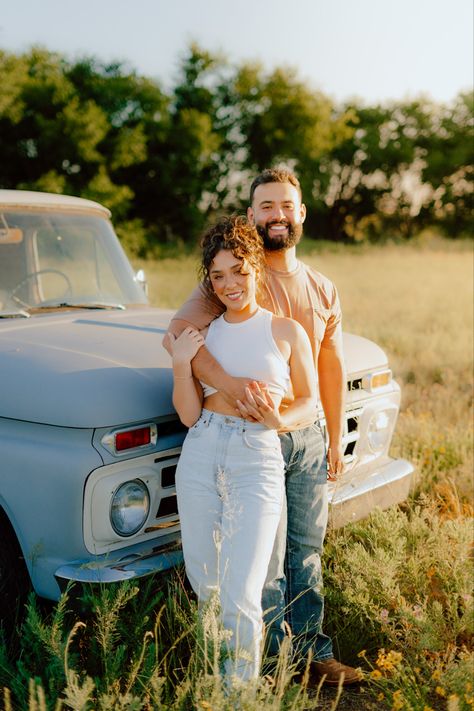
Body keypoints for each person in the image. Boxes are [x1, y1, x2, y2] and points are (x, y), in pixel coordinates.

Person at [166, 168, 362, 687]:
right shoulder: (234, 276)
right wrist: (231, 387)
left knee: (308, 547)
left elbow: (330, 366)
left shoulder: (321, 287)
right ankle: (271, 662)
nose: (277, 214)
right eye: (266, 206)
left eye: (285, 205)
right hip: (254, 439)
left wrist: (335, 435)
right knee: (264, 561)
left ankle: (312, 654)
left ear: (300, 213)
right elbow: (179, 336)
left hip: (307, 433)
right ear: (252, 217)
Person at [168, 215, 318, 683]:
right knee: (206, 582)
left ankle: (240, 693)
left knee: (243, 588)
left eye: (238, 270)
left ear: (256, 266)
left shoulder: (286, 331)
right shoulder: (204, 336)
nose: (230, 283)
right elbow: (189, 415)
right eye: (218, 275)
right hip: (202, 448)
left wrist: (278, 421)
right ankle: (213, 677)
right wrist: (180, 365)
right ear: (209, 283)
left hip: (257, 455)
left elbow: (310, 404)